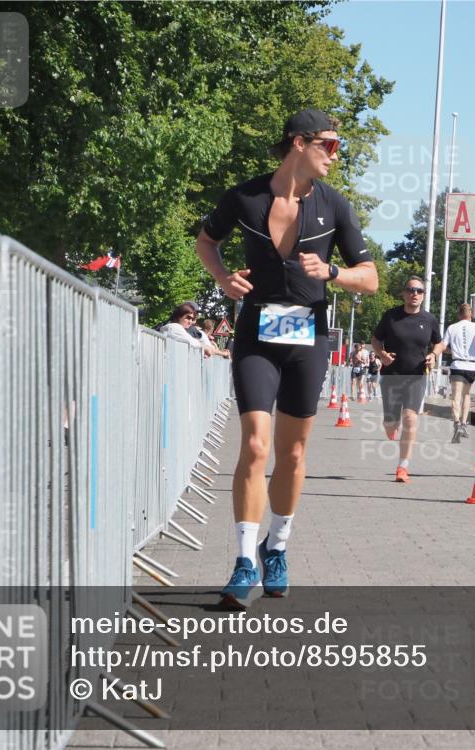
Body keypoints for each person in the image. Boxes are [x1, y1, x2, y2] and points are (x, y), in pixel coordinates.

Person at [195, 108, 378, 607]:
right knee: (255, 446)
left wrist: (333, 273)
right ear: (299, 143)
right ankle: (242, 561)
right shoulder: (245, 197)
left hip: (307, 336)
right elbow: (206, 241)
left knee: (292, 453)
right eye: (331, 145)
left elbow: (372, 277)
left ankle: (276, 546)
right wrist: (222, 277)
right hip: (257, 332)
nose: (336, 156)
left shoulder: (335, 206)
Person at [372, 276, 444, 482]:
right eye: (411, 290)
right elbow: (376, 339)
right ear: (403, 293)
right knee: (390, 423)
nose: (415, 294)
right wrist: (381, 354)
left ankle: (402, 467)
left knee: (411, 417)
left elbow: (439, 343)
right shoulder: (391, 316)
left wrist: (434, 355)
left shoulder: (429, 320)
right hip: (391, 376)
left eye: (419, 291)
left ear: (423, 295)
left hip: (416, 376)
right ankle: (391, 426)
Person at [441, 302, 475, 443]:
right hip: (472, 366)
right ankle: (464, 423)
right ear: (471, 314)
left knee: (455, 397)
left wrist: (451, 350)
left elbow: (443, 346)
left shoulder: (452, 327)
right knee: (466, 395)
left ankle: (456, 424)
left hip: (457, 364)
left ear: (459, 314)